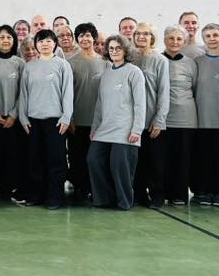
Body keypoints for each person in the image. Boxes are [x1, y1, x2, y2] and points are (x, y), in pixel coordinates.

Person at [89, 35, 146, 210]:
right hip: (104, 128)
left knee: (118, 164)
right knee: (93, 159)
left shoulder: (134, 72)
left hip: (125, 128)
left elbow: (140, 103)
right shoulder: (106, 73)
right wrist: (95, 128)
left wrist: (137, 129)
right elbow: (100, 104)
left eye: (118, 48)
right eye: (111, 48)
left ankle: (124, 202)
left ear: (126, 50)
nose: (114, 51)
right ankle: (104, 199)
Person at [19, 29, 73, 209]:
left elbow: (67, 93)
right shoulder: (29, 66)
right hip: (34, 121)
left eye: (48, 41)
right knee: (35, 160)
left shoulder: (62, 65)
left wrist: (66, 117)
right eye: (41, 41)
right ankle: (37, 196)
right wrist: (23, 117)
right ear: (36, 45)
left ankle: (55, 198)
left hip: (56, 121)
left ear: (54, 44)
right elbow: (24, 94)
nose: (44, 44)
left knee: (56, 160)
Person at [0, 25, 26, 204]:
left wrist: (14, 115)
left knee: (12, 155)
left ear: (14, 40)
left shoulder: (20, 63)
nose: (6, 40)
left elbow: (23, 93)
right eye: (2, 37)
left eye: (9, 37)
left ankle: (9, 190)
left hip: (13, 120)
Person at [191, 24, 219, 206]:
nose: (212, 38)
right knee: (203, 158)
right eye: (208, 36)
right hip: (201, 119)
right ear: (203, 39)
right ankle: (202, 191)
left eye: (215, 34)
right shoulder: (197, 62)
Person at [132, 23, 170, 208]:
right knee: (136, 161)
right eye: (138, 33)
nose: (141, 36)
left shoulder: (160, 60)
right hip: (132, 121)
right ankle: (138, 194)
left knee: (155, 161)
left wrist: (159, 119)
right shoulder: (129, 58)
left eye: (145, 34)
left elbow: (164, 92)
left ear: (152, 37)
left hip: (152, 120)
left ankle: (156, 195)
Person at [68, 23, 107, 203]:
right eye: (81, 36)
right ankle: (79, 189)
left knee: (97, 158)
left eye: (88, 35)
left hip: (98, 121)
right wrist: (70, 118)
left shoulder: (105, 63)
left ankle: (94, 189)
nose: (85, 39)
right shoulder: (70, 63)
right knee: (77, 157)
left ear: (94, 38)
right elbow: (66, 94)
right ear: (77, 39)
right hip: (77, 120)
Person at [162, 25, 198, 205]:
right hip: (162, 118)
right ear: (164, 40)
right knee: (162, 157)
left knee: (182, 159)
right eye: (171, 38)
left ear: (184, 42)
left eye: (179, 39)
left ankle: (179, 194)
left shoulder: (191, 63)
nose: (175, 42)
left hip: (186, 117)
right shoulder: (158, 60)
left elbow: (196, 88)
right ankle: (161, 193)